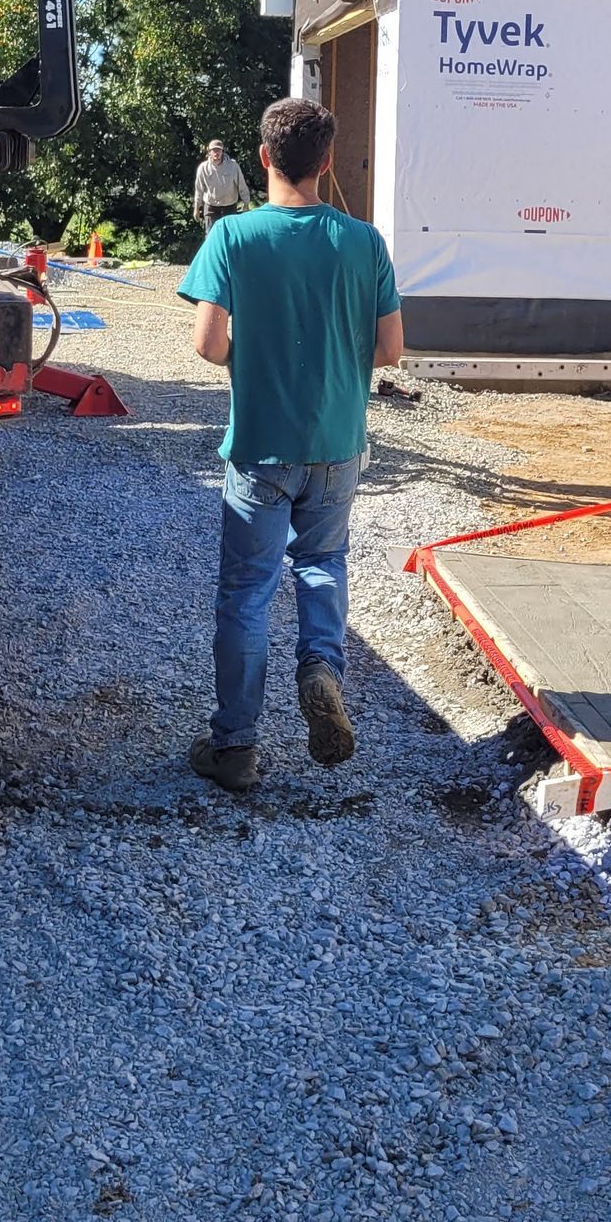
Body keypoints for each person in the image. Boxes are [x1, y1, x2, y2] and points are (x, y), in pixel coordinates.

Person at [178, 96, 404, 792]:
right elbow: (391, 352)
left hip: (262, 447)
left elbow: (208, 343)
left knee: (247, 592)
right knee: (323, 563)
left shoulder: (233, 239)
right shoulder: (364, 241)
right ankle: (320, 671)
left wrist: (256, 353)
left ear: (265, 158)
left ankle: (237, 747)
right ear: (327, 162)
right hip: (337, 444)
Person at [192, 138, 253, 233]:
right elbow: (199, 189)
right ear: (209, 152)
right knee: (210, 236)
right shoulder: (203, 168)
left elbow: (241, 185)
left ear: (222, 151)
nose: (217, 152)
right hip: (211, 207)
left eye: (219, 150)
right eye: (214, 150)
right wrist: (196, 208)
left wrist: (246, 203)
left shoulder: (233, 166)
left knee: (230, 235)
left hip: (229, 206)